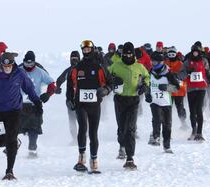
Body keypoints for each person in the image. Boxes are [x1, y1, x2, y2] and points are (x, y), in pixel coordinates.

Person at [0, 52, 42, 180]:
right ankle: (14, 142)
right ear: (1, 64)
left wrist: (37, 102)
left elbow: (29, 89)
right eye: (4, 66)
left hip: (14, 111)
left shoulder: (20, 74)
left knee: (10, 141)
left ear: (13, 64)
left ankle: (9, 171)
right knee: (0, 142)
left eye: (9, 66)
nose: (7, 68)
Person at [66, 40, 111, 173]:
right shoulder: (77, 68)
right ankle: (81, 158)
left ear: (92, 50)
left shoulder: (99, 67)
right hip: (81, 104)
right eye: (84, 50)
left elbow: (110, 82)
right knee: (82, 129)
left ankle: (94, 160)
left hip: (95, 105)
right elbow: (70, 85)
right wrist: (69, 99)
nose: (86, 52)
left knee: (93, 132)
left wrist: (106, 90)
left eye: (88, 49)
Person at [108, 42, 150, 170]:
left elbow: (147, 77)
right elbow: (107, 77)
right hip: (120, 100)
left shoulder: (139, 67)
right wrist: (112, 80)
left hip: (133, 100)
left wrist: (145, 86)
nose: (127, 56)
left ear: (133, 54)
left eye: (130, 53)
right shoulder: (116, 66)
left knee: (130, 129)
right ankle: (122, 147)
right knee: (121, 127)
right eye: (125, 53)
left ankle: (130, 158)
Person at [18, 51, 56, 158]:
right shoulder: (18, 71)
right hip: (19, 104)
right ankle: (12, 145)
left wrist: (48, 94)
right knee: (14, 127)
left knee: (34, 128)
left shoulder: (40, 72)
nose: (28, 66)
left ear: (34, 63)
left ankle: (32, 149)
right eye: (26, 64)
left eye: (31, 64)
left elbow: (52, 84)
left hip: (34, 105)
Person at [145, 52, 179, 152]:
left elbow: (176, 87)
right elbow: (147, 85)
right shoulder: (150, 73)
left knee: (167, 124)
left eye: (155, 62)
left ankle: (167, 145)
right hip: (155, 102)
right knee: (157, 119)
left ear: (161, 62)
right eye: (152, 62)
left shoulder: (168, 74)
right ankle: (155, 136)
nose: (153, 64)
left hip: (166, 102)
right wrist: (147, 95)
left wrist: (167, 87)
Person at [183, 44, 210, 141]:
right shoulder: (187, 62)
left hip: (201, 88)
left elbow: (207, 70)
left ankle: (199, 132)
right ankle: (193, 130)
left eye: (197, 51)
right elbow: (181, 74)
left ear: (199, 52)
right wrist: (188, 72)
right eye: (193, 51)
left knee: (199, 109)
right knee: (192, 111)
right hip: (191, 88)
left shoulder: (204, 61)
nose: (195, 53)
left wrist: (209, 77)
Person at [55, 51, 81, 145]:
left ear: (79, 58)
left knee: (83, 120)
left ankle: (83, 137)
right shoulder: (68, 71)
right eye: (72, 58)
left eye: (76, 58)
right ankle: (74, 139)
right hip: (70, 100)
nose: (74, 60)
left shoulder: (83, 69)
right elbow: (59, 80)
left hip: (83, 100)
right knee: (72, 120)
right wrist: (57, 88)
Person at [165, 46, 188, 129]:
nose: (171, 56)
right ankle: (167, 124)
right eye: (169, 54)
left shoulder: (181, 64)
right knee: (168, 107)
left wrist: (176, 76)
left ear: (176, 54)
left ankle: (183, 122)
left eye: (173, 54)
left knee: (180, 107)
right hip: (168, 89)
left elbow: (184, 74)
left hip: (179, 89)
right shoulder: (165, 64)